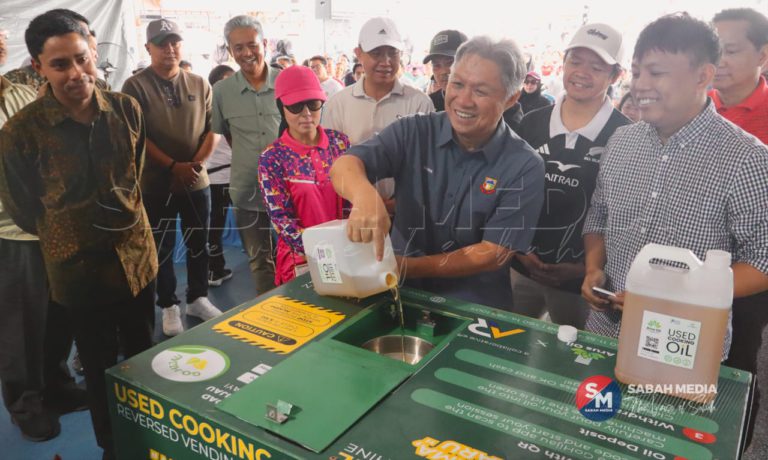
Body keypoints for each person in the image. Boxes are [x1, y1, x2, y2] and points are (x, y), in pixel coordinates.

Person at [581, 13, 768, 400]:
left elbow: (763, 260)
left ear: (703, 76)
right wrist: (593, 267)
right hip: (604, 331)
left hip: (684, 350)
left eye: (656, 73)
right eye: (636, 72)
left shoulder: (746, 159)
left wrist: (666, 296)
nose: (641, 85)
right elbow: (599, 215)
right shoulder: (622, 142)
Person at [0, 11, 158, 459]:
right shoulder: (21, 133)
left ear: (93, 53)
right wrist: (68, 234)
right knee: (99, 365)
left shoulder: (125, 110)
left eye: (82, 59)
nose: (76, 74)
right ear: (38, 68)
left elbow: (136, 176)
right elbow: (24, 209)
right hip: (79, 275)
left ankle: (151, 437)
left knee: (144, 357)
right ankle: (115, 448)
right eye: (60, 65)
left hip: (136, 262)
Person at [330, 36, 544, 309]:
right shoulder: (412, 131)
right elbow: (345, 165)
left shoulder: (524, 165)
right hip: (397, 291)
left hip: (474, 306)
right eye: (457, 84)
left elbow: (494, 253)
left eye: (480, 91)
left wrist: (409, 267)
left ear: (511, 98)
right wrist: (364, 197)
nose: (463, 101)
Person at [511, 23, 630, 329]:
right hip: (521, 267)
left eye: (597, 67)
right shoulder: (532, 121)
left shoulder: (625, 135)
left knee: (572, 358)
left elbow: (619, 212)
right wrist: (518, 249)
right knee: (508, 343)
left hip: (584, 283)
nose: (582, 72)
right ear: (563, 64)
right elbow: (511, 191)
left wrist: (585, 269)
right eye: (575, 61)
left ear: (616, 75)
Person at [0, 58, 87, 443]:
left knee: (59, 314)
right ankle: (26, 404)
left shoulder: (21, 95)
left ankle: (57, 386)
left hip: (53, 227)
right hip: (9, 233)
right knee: (19, 329)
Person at [122, 18, 222, 337]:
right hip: (156, 184)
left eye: (175, 41)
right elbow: (138, 135)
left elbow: (213, 129)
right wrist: (171, 167)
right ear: (148, 47)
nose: (170, 48)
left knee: (198, 243)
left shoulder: (200, 82)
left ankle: (198, 297)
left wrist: (192, 166)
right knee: (161, 247)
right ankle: (168, 304)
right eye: (162, 43)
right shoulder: (134, 86)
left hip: (196, 180)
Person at [709, 8, 768, 446]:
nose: (719, 60)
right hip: (690, 260)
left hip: (749, 270)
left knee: (735, 364)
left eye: (731, 50)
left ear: (762, 54)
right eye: (714, 50)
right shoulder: (695, 106)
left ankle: (732, 445)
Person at [259, 65, 350, 284]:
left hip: (347, 252)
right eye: (296, 106)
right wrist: (324, 252)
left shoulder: (340, 143)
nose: (307, 113)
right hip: (301, 261)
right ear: (282, 107)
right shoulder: (272, 158)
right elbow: (281, 220)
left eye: (313, 103)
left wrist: (347, 242)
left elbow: (352, 200)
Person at [212, 15, 280, 294]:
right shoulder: (221, 91)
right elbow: (225, 134)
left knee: (299, 257)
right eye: (238, 48)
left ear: (264, 44)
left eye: (252, 45)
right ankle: (271, 317)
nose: (246, 53)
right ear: (230, 51)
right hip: (246, 190)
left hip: (290, 190)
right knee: (260, 262)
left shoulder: (288, 81)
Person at [323, 17, 434, 145]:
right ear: (358, 54)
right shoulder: (337, 105)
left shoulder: (420, 104)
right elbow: (331, 158)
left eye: (393, 53)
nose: (386, 62)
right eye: (376, 53)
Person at [206, 65, 236, 287]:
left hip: (234, 172)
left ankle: (216, 268)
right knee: (215, 224)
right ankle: (214, 269)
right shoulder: (213, 109)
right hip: (218, 176)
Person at [423, 29, 468, 111]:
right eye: (436, 65)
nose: (443, 71)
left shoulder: (484, 101)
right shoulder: (429, 104)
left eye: (450, 62)